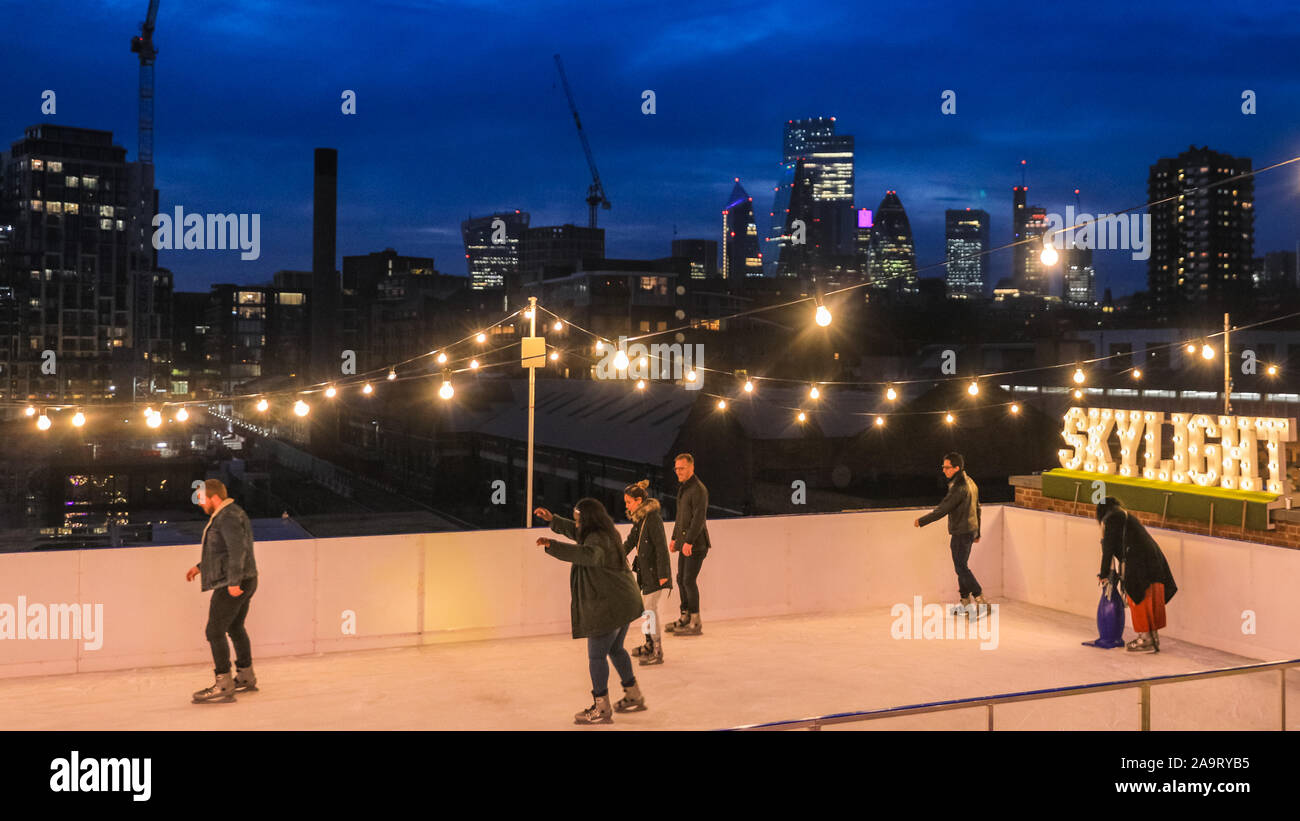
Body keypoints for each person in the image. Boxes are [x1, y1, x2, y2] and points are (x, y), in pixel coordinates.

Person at [535, 498, 647, 725]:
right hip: (625, 600)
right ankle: (633, 694)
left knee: (596, 656)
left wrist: (552, 546)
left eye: (578, 520)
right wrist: (553, 520)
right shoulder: (604, 532)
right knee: (615, 649)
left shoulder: (597, 539)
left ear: (587, 520)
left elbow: (589, 555)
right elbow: (579, 536)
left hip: (610, 605)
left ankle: (601, 707)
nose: (576, 524)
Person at [186, 479, 259, 703]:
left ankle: (224, 684)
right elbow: (223, 551)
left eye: (202, 500)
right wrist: (200, 567)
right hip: (245, 578)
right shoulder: (229, 514)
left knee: (214, 632)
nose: (200, 505)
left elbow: (237, 551)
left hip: (234, 581)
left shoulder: (227, 517)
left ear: (213, 498)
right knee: (235, 627)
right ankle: (246, 676)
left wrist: (233, 582)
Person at [1096, 497, 1178, 653]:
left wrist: (1103, 573)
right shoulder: (1126, 516)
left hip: (1138, 562)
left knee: (1139, 597)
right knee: (1152, 595)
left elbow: (1107, 551)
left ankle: (1145, 639)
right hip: (1155, 558)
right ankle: (1153, 637)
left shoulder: (1111, 520)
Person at [914, 452, 988, 616]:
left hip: (961, 532)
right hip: (969, 530)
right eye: (943, 467)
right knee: (961, 567)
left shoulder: (959, 488)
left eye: (947, 467)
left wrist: (922, 520)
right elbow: (977, 508)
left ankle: (980, 598)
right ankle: (965, 604)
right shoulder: (970, 482)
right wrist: (977, 532)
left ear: (956, 468)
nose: (943, 470)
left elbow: (943, 509)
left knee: (961, 568)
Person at [622, 480, 672, 665]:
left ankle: (656, 650)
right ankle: (649, 644)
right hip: (646, 574)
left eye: (628, 502)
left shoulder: (653, 518)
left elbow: (661, 547)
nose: (626, 506)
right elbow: (630, 541)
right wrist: (617, 555)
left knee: (649, 611)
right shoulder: (641, 519)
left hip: (656, 574)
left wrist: (663, 574)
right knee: (646, 611)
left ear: (638, 500)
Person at [666, 453, 711, 636]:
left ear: (691, 468)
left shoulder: (699, 490)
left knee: (688, 580)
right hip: (685, 543)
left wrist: (690, 541)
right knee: (680, 579)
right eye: (676, 468)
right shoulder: (684, 489)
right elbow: (681, 517)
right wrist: (675, 538)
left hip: (697, 545)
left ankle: (695, 621)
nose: (678, 472)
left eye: (682, 468)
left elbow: (698, 519)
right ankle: (685, 616)